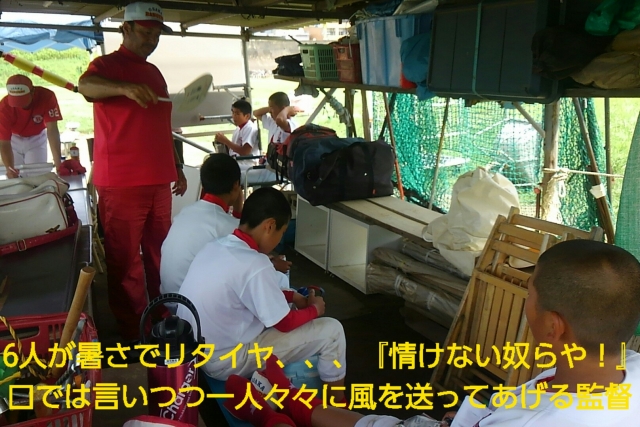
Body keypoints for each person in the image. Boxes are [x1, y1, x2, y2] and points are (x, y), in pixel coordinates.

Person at [221, 239, 640, 427]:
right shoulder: (625, 370)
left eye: (530, 293)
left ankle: (274, 415)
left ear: (553, 326)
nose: (524, 300)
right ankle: (292, 404)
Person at [77, 1, 187, 343]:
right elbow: (85, 87)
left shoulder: (154, 73)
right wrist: (123, 88)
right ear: (126, 28)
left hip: (159, 179)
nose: (152, 41)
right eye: (146, 33)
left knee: (160, 254)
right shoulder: (106, 66)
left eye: (157, 35)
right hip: (122, 182)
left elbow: (163, 125)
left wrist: (177, 165)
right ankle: (133, 328)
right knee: (125, 261)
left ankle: (162, 314)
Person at [177, 187, 347, 401]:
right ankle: (337, 407)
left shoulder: (216, 246)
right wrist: (315, 309)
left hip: (197, 352)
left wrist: (291, 296)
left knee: (288, 306)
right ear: (270, 226)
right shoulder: (255, 263)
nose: (279, 239)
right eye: (281, 232)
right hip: (225, 362)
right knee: (333, 331)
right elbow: (284, 323)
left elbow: (250, 294)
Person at [160, 154, 291, 311]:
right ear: (236, 185)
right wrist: (273, 264)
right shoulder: (226, 226)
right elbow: (250, 263)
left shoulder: (186, 212)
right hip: (190, 306)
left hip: (168, 298)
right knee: (279, 281)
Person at [0, 75, 63, 178]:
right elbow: (4, 143)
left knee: (37, 176)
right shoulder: (3, 107)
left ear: (32, 92)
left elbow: (52, 130)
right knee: (14, 179)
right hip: (13, 139)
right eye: (16, 102)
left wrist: (58, 163)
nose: (20, 105)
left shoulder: (46, 97)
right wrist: (9, 169)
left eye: (23, 101)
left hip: (37, 138)